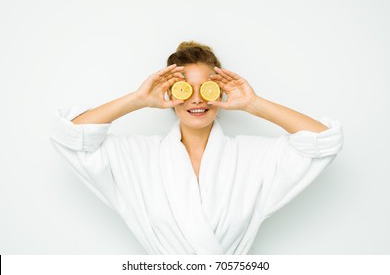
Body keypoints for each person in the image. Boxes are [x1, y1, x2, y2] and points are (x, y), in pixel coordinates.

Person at [50, 41, 343, 254]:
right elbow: (71, 136)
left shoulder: (252, 157)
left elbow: (323, 142)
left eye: (206, 89)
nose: (196, 100)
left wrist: (255, 104)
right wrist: (137, 99)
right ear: (169, 94)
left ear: (220, 92)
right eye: (184, 89)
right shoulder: (138, 158)